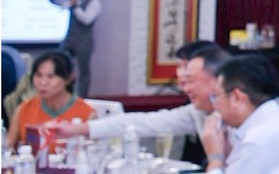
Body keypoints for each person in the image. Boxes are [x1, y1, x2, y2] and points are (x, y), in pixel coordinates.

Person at [46, 43, 229, 149]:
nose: (184, 86)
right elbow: (143, 123)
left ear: (218, 80)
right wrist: (78, 129)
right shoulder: (197, 112)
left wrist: (215, 161)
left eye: (190, 80)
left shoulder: (239, 117)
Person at [5, 51, 95, 151]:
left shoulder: (87, 113)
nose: (43, 83)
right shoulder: (24, 109)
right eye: (38, 75)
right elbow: (8, 148)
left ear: (69, 78)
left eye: (51, 76)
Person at [48, 0, 101, 98]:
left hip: (84, 41)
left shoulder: (94, 2)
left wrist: (75, 6)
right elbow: (61, 4)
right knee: (60, 63)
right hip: (70, 39)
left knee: (83, 71)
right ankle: (63, 94)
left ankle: (82, 98)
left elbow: (87, 19)